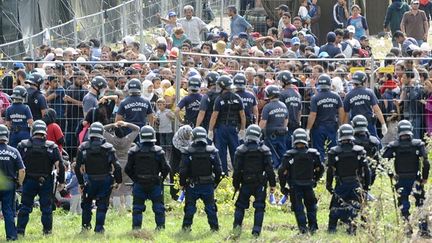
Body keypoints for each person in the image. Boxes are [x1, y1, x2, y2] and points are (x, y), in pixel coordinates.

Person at [382, 120, 431, 237]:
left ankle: (407, 229)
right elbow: (426, 162)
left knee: (403, 203)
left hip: (401, 179)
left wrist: (391, 174)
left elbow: (383, 160)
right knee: (420, 203)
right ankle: (423, 230)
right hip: (416, 178)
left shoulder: (394, 146)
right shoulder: (418, 144)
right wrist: (424, 178)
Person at [17, 120, 65, 236]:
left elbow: (17, 165)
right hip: (46, 181)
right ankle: (47, 232)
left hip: (28, 181)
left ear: (33, 131)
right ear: (45, 132)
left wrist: (18, 181)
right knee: (46, 208)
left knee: (25, 207)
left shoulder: (23, 145)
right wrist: (61, 182)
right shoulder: (51, 146)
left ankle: (20, 232)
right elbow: (60, 166)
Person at [75, 122, 122, 233]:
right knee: (102, 205)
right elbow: (117, 166)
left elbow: (77, 168)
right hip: (105, 180)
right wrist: (118, 181)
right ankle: (99, 228)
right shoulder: (109, 148)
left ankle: (85, 228)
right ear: (102, 133)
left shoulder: (83, 147)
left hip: (89, 180)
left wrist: (81, 183)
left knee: (86, 204)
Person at [326, 124, 370, 234]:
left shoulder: (334, 152)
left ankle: (332, 229)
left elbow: (330, 171)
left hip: (341, 184)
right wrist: (366, 186)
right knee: (359, 207)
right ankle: (357, 228)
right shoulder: (359, 151)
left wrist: (329, 185)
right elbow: (367, 170)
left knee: (335, 208)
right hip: (356, 183)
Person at [232, 124, 276, 237]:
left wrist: (236, 185)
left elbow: (236, 171)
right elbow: (270, 170)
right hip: (260, 184)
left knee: (240, 206)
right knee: (260, 207)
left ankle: (236, 228)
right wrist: (272, 184)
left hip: (245, 183)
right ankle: (256, 231)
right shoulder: (264, 150)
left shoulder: (240, 150)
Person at [279, 128, 324, 234]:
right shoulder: (313, 155)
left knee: (298, 208)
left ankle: (303, 229)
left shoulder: (289, 155)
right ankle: (313, 227)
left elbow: (281, 171)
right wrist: (315, 180)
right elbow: (320, 169)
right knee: (311, 206)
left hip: (295, 186)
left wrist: (283, 186)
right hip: (308, 185)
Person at [125, 125, 170, 230]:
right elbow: (167, 168)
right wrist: (161, 179)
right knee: (158, 207)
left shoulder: (133, 151)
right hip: (155, 183)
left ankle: (136, 228)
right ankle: (160, 228)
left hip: (139, 183)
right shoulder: (159, 151)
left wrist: (135, 179)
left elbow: (127, 169)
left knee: (137, 208)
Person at [179, 126, 222, 232]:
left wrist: (183, 183)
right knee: (210, 207)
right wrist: (215, 182)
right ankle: (214, 228)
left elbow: (183, 171)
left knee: (190, 208)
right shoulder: (212, 151)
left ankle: (186, 228)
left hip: (192, 185)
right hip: (208, 184)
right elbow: (219, 170)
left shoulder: (187, 151)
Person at [209, 75, 246, 174]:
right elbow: (242, 115)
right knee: (235, 151)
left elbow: (214, 116)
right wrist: (243, 129)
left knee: (221, 152)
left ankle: (223, 173)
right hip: (233, 128)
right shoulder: (237, 98)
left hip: (221, 128)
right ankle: (237, 172)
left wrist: (210, 130)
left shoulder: (219, 99)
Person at [306, 74, 344, 161]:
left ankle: (320, 168)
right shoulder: (336, 96)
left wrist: (308, 129)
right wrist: (341, 124)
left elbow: (313, 114)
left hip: (318, 126)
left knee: (318, 151)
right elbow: (341, 111)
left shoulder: (315, 98)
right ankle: (333, 166)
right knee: (333, 149)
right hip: (332, 125)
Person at [103, 121, 140, 211]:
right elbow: (137, 129)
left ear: (114, 133)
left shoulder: (111, 139)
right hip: (127, 164)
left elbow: (101, 128)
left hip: (115, 165)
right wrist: (126, 123)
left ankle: (116, 208)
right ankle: (128, 208)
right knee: (127, 187)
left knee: (115, 187)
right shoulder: (128, 139)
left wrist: (112, 124)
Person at [343, 71, 387, 138]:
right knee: (375, 143)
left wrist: (345, 127)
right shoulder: (369, 92)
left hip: (355, 124)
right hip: (368, 123)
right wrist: (383, 124)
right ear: (364, 81)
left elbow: (346, 113)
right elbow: (377, 110)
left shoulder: (348, 95)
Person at [0, 125, 25, 241]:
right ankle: (11, 236)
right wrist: (19, 183)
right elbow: (22, 170)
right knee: (8, 210)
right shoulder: (14, 151)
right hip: (9, 185)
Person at [259, 85, 288, 169]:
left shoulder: (267, 107)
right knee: (282, 152)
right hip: (282, 133)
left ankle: (273, 171)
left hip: (270, 135)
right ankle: (284, 170)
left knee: (271, 153)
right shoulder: (283, 105)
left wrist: (257, 132)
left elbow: (263, 122)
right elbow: (286, 120)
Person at [351, 115, 380, 189]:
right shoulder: (373, 141)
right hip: (367, 172)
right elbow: (377, 160)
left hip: (354, 173)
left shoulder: (351, 141)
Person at [278, 71, 302, 150]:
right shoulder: (297, 94)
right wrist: (298, 123)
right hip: (295, 125)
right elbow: (299, 111)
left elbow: (281, 111)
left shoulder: (282, 94)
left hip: (285, 126)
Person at [170, 125, 192, 201]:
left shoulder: (189, 135)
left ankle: (187, 193)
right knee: (175, 172)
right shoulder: (177, 139)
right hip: (177, 156)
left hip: (186, 155)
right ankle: (174, 194)